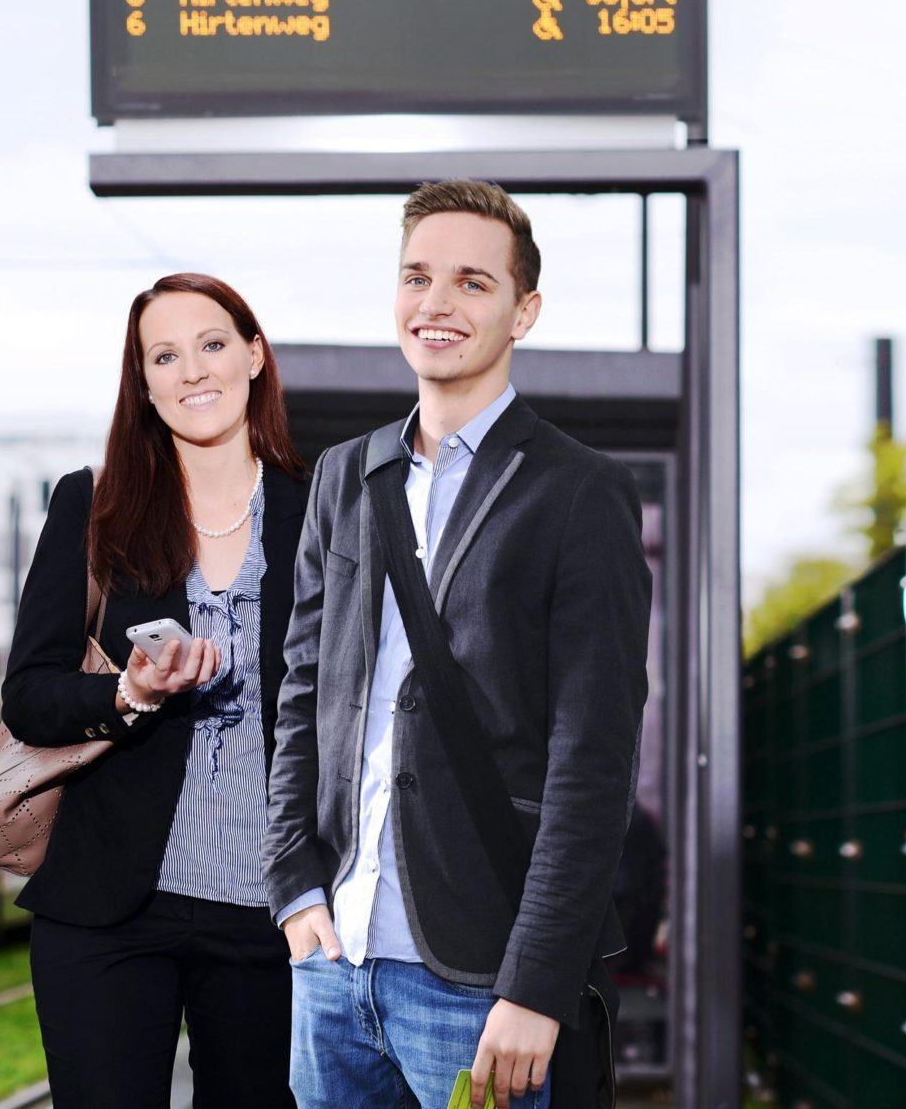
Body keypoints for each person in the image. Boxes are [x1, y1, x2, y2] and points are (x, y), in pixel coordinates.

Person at [265, 180, 652, 1109]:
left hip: (480, 980)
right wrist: (293, 887)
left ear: (524, 310)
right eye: (417, 276)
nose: (436, 302)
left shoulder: (579, 492)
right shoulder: (342, 477)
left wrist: (536, 981)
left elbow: (592, 763)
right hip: (333, 964)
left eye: (472, 282)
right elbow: (303, 689)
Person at [1, 272, 308, 1108]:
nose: (192, 371)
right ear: (143, 382)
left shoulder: (322, 511)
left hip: (273, 918)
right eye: (163, 355)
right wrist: (128, 697)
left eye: (211, 344)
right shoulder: (92, 506)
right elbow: (28, 694)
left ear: (253, 355)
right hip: (106, 911)